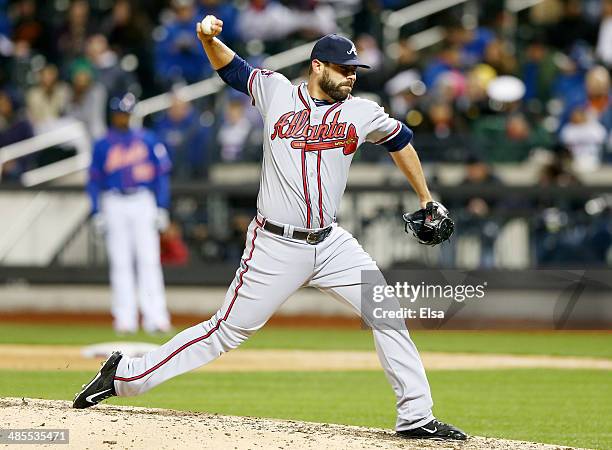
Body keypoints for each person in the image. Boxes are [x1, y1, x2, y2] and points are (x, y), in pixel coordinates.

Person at [73, 21, 466, 442]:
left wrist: (427, 199)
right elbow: (233, 68)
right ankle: (125, 376)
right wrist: (207, 39)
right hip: (276, 244)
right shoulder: (276, 91)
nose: (351, 76)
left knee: (386, 311)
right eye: (343, 69)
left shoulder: (361, 111)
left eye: (355, 70)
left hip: (331, 242)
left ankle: (416, 417)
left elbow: (400, 140)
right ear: (317, 67)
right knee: (225, 331)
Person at [85, 93, 172, 335]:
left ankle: (156, 317)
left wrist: (161, 206)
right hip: (114, 200)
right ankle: (125, 319)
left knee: (149, 260)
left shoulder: (148, 139)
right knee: (120, 262)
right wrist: (96, 210)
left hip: (142, 199)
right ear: (113, 116)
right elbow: (93, 181)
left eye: (127, 113)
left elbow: (161, 176)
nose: (124, 118)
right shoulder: (103, 144)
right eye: (120, 114)